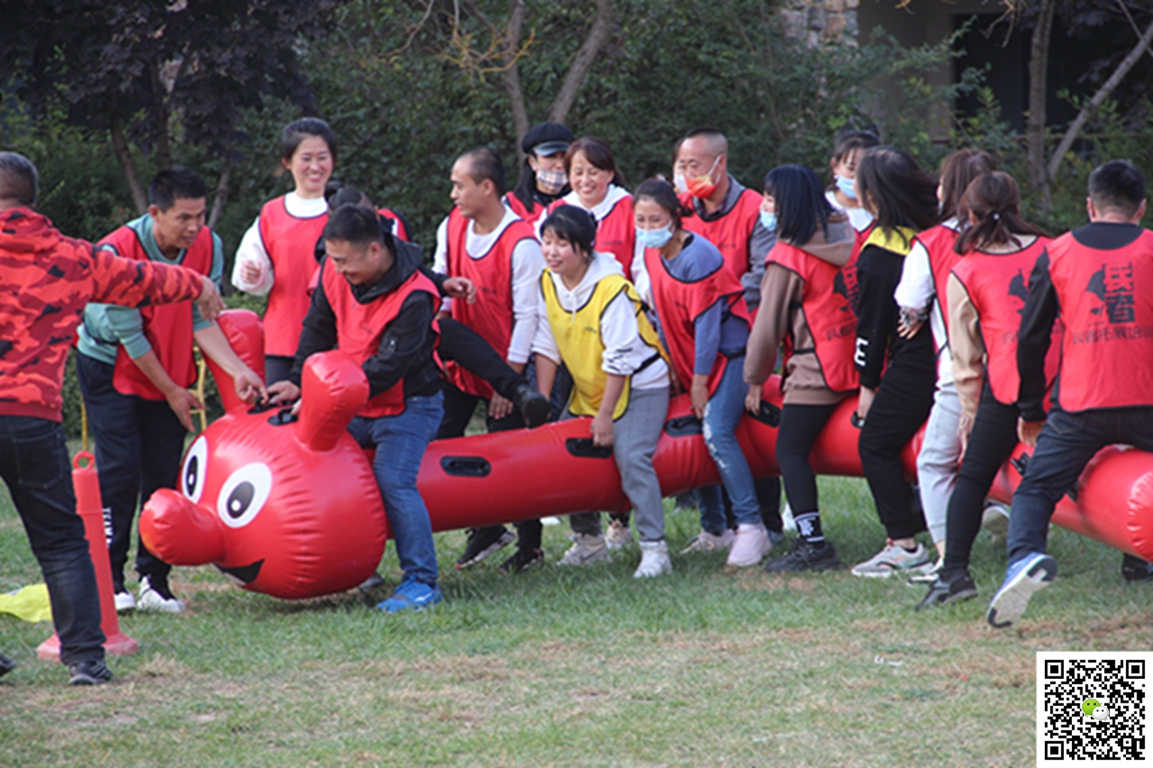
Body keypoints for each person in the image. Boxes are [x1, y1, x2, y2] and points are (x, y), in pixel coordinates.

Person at [0, 151, 226, 684]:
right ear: (35, 197)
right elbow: (139, 281)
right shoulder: (68, 256)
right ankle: (85, 657)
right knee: (60, 540)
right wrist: (198, 284)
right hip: (31, 415)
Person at [75, 168, 266, 614]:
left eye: (200, 216)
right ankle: (110, 579)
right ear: (155, 213)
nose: (195, 227)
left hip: (168, 363)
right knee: (120, 468)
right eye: (184, 217)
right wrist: (174, 391)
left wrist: (237, 369)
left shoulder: (208, 246)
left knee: (163, 470)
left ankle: (154, 581)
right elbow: (131, 337)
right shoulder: (116, 251)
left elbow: (202, 319)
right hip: (110, 364)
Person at [988, 160, 1153, 628]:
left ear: (1089, 206)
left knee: (1036, 488)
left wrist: (1030, 410)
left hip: (1082, 406)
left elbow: (1031, 339)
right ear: (1141, 209)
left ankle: (1024, 559)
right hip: (1147, 401)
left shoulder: (1057, 252)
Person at [269, 204, 445, 612]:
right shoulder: (335, 271)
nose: (338, 270)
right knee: (317, 465)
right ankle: (354, 567)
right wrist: (297, 382)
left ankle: (422, 582)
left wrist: (321, 400)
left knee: (392, 479)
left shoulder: (416, 294)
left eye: (345, 261)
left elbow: (388, 369)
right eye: (333, 260)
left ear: (374, 250)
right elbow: (317, 327)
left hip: (409, 404)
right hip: (353, 398)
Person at [914, 171, 1053, 610]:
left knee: (972, 477)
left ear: (967, 213)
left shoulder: (965, 269)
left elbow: (965, 358)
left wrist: (971, 413)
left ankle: (954, 571)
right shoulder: (1055, 249)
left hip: (1008, 386)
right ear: (1017, 206)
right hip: (1064, 384)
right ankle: (1134, 561)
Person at [636, 178, 772, 568]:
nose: (647, 228)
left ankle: (752, 527)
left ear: (675, 219)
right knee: (694, 435)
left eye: (655, 219)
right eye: (640, 220)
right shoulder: (652, 254)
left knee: (717, 431)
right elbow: (662, 313)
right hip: (688, 359)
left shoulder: (698, 257)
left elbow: (709, 327)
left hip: (727, 357)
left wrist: (698, 381)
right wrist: (672, 366)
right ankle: (715, 529)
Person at [531, 206, 672, 576]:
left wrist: (605, 418)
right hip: (589, 386)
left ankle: (655, 549)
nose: (552, 251)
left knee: (633, 457)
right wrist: (543, 403)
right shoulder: (548, 281)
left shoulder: (611, 288)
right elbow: (547, 343)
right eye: (547, 242)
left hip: (640, 384)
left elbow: (621, 359)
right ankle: (589, 543)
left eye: (562, 244)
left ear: (584, 249)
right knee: (563, 457)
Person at [667, 127, 788, 546]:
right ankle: (714, 524)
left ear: (721, 164)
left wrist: (713, 301)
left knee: (752, 426)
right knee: (700, 421)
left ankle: (766, 523)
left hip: (746, 336)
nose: (686, 173)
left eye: (694, 165)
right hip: (693, 338)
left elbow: (764, 273)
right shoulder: (680, 209)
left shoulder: (756, 208)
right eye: (681, 165)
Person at [433, 148, 545, 570]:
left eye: (459, 185)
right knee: (440, 439)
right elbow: (440, 286)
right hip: (461, 365)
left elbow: (528, 318)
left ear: (487, 187)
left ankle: (530, 547)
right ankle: (485, 525)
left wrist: (508, 381)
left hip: (505, 367)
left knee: (511, 459)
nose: (453, 194)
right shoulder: (451, 227)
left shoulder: (522, 244)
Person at [744, 165, 855, 573]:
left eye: (770, 199)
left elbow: (766, 330)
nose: (764, 207)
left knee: (789, 449)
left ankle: (814, 544)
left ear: (787, 204)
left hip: (818, 369)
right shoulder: (847, 234)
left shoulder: (787, 257)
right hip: (859, 363)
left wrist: (755, 379)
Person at [893, 149, 998, 574]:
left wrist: (915, 317)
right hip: (1016, 369)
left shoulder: (932, 242)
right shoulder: (1020, 238)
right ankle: (1003, 514)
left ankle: (944, 555)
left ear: (949, 189)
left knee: (934, 461)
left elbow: (909, 301)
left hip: (959, 369)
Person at [850, 146, 941, 578]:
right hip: (963, 357)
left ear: (871, 195)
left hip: (921, 362)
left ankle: (903, 543)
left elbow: (870, 330)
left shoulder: (879, 253)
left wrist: (867, 387)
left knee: (874, 443)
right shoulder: (940, 230)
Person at [231, 118, 337, 385]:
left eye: (322, 157)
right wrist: (253, 273)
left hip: (337, 338)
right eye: (306, 158)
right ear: (287, 161)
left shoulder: (346, 209)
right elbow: (253, 278)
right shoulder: (272, 213)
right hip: (284, 338)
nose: (315, 167)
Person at [545, 137, 637, 280]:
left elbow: (643, 267)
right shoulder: (554, 211)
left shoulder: (631, 209)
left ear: (610, 175)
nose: (585, 181)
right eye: (578, 173)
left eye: (593, 173)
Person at [506, 122, 574, 229]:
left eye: (564, 156)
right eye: (550, 157)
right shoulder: (511, 205)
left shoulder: (582, 201)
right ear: (532, 162)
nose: (559, 165)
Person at [825, 128, 880, 237]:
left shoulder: (884, 213)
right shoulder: (821, 208)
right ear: (835, 166)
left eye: (865, 170)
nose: (857, 178)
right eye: (851, 168)